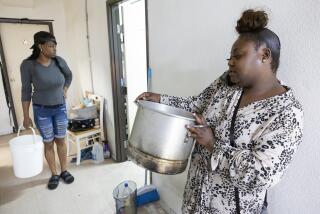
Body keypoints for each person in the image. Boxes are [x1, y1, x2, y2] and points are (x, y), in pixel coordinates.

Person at [136, 9, 303, 213]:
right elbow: (197, 105)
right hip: (194, 203)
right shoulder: (227, 83)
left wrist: (213, 145)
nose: (230, 62)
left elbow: (262, 175)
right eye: (230, 57)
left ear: (265, 55)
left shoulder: (287, 113)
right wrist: (160, 100)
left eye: (238, 56)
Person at [20, 31, 74, 190]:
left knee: (61, 141)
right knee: (48, 143)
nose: (54, 49)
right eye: (50, 46)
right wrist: (25, 115)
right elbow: (25, 91)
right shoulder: (28, 65)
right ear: (40, 46)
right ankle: (54, 174)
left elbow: (69, 76)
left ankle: (64, 170)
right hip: (42, 111)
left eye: (55, 45)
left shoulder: (59, 62)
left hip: (60, 109)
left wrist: (65, 89)